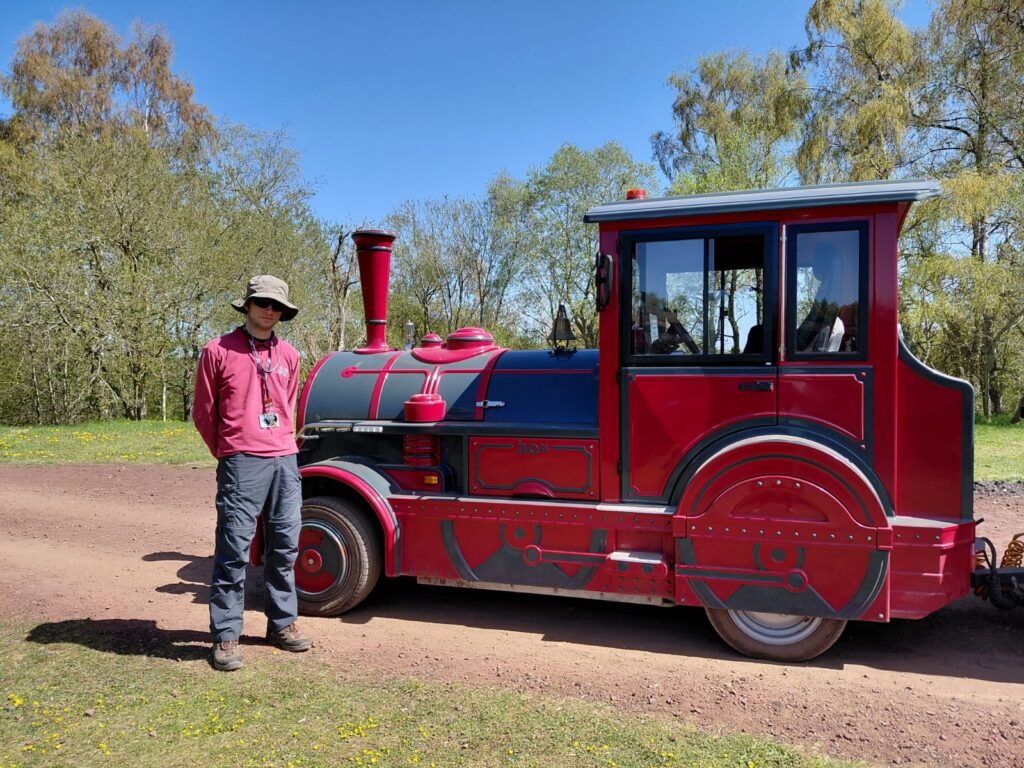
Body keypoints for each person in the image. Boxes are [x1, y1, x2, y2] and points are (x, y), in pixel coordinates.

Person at [193, 274, 312, 671]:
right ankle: (226, 636)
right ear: (247, 305)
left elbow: (289, 404)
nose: (269, 310)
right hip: (242, 461)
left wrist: (279, 444)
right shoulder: (218, 351)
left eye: (277, 305)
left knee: (285, 545)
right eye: (262, 302)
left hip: (284, 459)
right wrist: (230, 449)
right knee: (234, 549)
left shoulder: (290, 356)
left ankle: (281, 624)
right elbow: (204, 412)